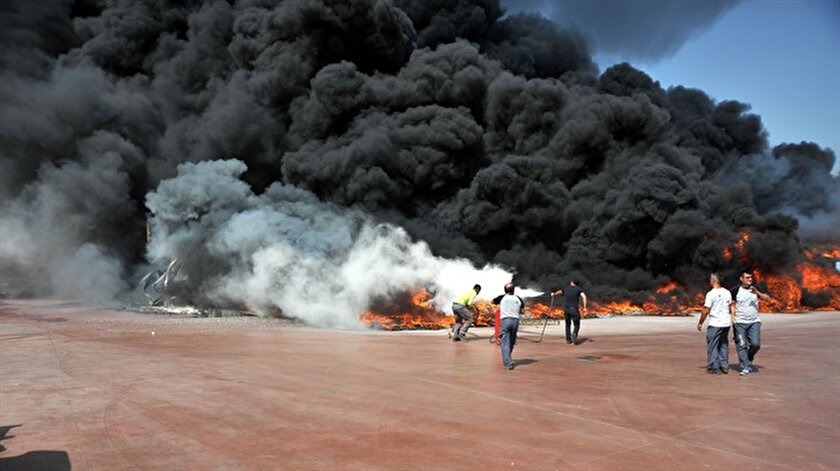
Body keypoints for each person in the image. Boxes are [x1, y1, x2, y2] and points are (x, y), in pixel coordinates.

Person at [730, 271, 772, 376]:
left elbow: (768, 299)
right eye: (747, 277)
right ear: (741, 279)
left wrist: (757, 293)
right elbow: (732, 304)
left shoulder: (755, 288)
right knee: (741, 344)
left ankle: (749, 357)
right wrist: (733, 317)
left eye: (751, 278)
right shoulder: (735, 290)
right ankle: (745, 367)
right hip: (740, 322)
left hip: (754, 322)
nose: (750, 279)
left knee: (755, 344)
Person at [697, 273, 733, 375]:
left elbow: (706, 310)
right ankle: (724, 366)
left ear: (714, 281)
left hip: (715, 323)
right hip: (726, 323)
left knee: (713, 345)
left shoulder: (710, 294)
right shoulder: (727, 292)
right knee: (723, 344)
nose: (710, 281)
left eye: (710, 279)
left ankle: (713, 367)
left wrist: (700, 322)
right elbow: (731, 305)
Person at [493, 283, 524, 370]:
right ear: (513, 290)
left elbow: (492, 301)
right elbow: (522, 311)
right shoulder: (518, 298)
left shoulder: (502, 297)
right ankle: (508, 357)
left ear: (505, 290)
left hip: (505, 321)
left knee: (505, 342)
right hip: (515, 321)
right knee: (511, 341)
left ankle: (508, 362)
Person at [551, 280, 587, 344]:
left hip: (566, 310)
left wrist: (554, 294)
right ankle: (574, 333)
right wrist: (584, 307)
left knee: (568, 324)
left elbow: (559, 292)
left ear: (572, 282)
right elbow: (584, 296)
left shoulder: (566, 288)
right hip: (574, 309)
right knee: (576, 324)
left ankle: (568, 340)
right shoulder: (579, 289)